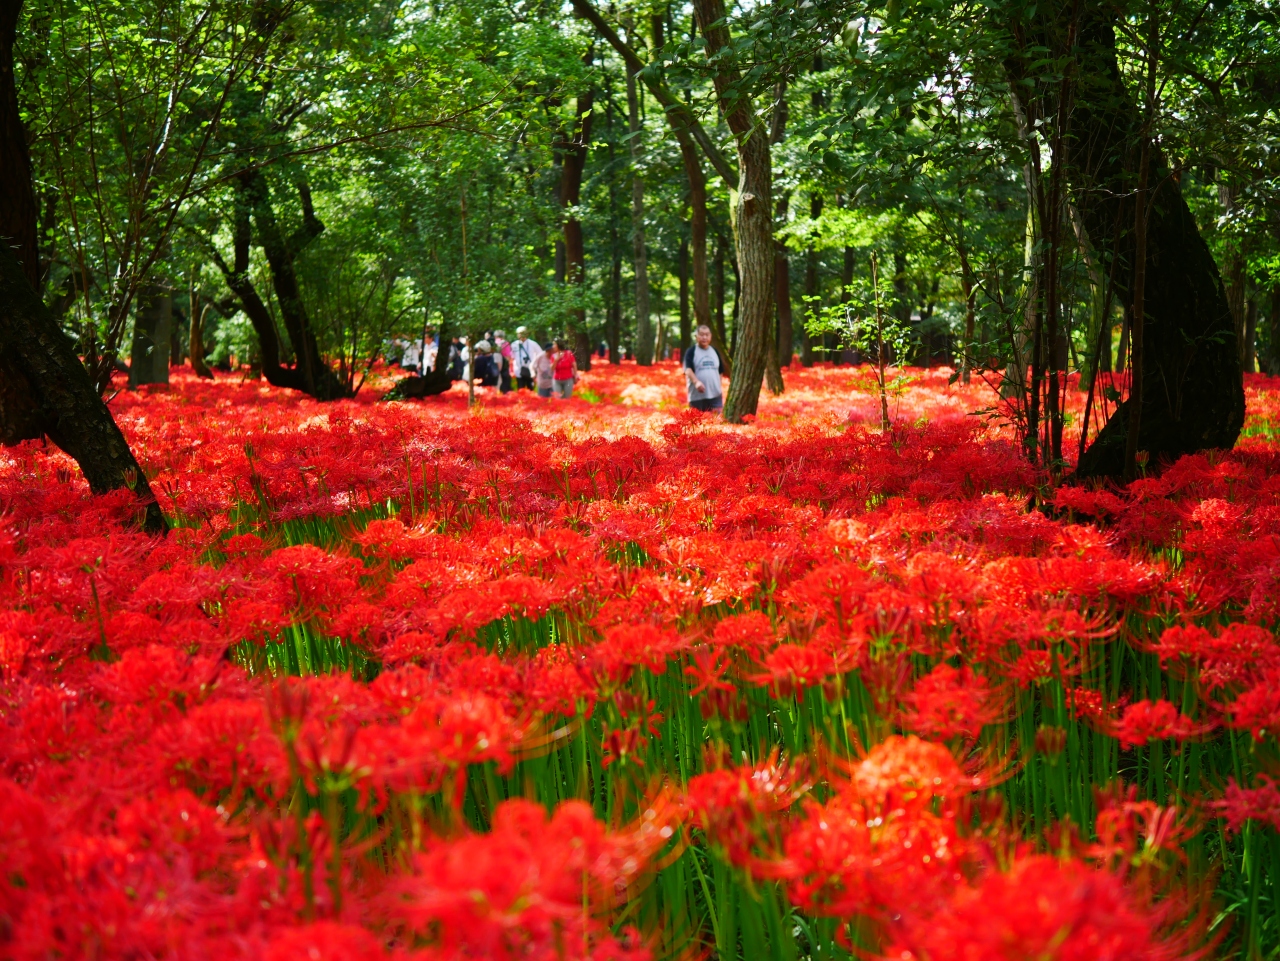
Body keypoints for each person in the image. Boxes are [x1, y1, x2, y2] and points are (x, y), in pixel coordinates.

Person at [683, 324, 727, 412]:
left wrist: (718, 385)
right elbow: (687, 369)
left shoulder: (715, 351)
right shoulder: (691, 351)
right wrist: (696, 382)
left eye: (707, 335)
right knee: (698, 423)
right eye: (702, 334)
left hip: (715, 396)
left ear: (710, 336)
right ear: (696, 336)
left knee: (716, 423)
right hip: (697, 397)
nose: (704, 337)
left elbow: (720, 371)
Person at [511, 326, 543, 391]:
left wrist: (536, 365)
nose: (520, 335)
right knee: (520, 391)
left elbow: (541, 354)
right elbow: (512, 357)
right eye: (518, 333)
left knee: (530, 390)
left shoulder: (533, 343)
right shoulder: (514, 344)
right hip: (519, 371)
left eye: (522, 333)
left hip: (530, 371)